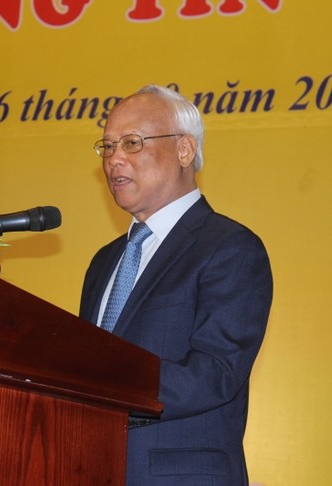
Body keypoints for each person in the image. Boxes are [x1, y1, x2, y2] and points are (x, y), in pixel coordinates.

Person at [79, 84, 273, 486]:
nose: (114, 159)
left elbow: (215, 372)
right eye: (107, 146)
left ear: (185, 151)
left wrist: (97, 385)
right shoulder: (104, 261)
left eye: (132, 143)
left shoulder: (229, 248)